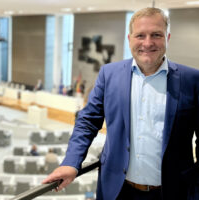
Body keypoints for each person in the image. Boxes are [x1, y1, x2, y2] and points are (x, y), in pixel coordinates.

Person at [42, 7, 199, 200]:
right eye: (140, 35)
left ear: (167, 37)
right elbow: (88, 121)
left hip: (173, 192)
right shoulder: (109, 74)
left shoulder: (193, 80)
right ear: (129, 39)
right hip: (117, 191)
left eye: (156, 35)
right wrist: (71, 162)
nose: (147, 43)